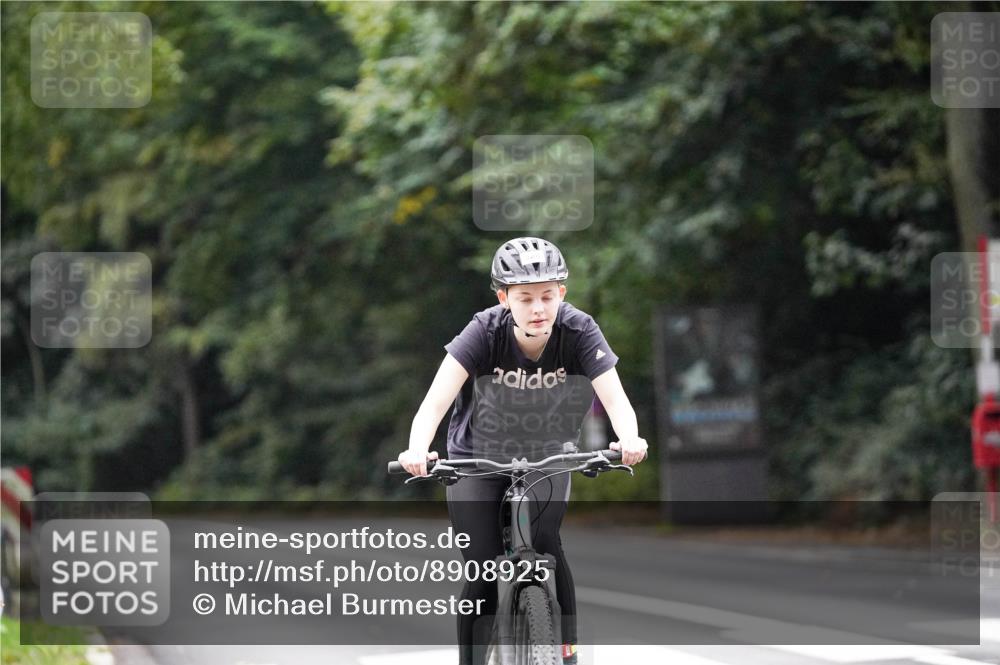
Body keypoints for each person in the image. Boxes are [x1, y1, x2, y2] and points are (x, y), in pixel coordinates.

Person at [397, 237, 648, 665]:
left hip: (546, 456)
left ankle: (565, 653)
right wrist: (417, 449)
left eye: (547, 296)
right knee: (482, 568)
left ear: (561, 293)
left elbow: (616, 400)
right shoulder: (483, 331)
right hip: (475, 460)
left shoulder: (580, 330)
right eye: (525, 298)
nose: (538, 308)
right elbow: (435, 403)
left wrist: (630, 439)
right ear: (504, 298)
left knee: (548, 545)